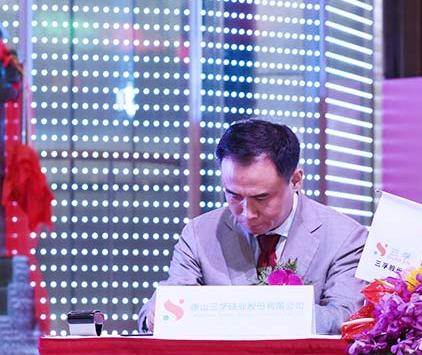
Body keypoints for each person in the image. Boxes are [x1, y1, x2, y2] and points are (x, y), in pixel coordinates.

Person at [138, 119, 366, 334]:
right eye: (234, 196)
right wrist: (156, 314)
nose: (247, 212)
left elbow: (346, 318)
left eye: (261, 198)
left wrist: (262, 313)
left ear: (296, 180)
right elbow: (167, 305)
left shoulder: (345, 237)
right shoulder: (199, 234)